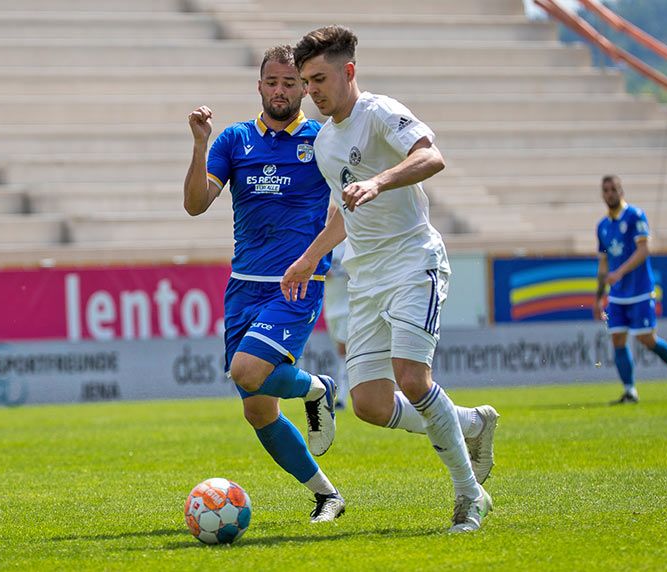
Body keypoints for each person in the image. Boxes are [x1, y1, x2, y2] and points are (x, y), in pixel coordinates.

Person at [281, 25, 498, 533]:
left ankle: (470, 496)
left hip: (412, 261)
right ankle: (470, 423)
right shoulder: (326, 143)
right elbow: (343, 210)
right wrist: (309, 258)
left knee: (411, 377)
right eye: (306, 81)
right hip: (367, 278)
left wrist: (379, 180)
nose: (311, 91)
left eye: (319, 79)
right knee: (370, 406)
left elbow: (431, 155)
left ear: (348, 71)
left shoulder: (377, 112)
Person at [183, 45, 344, 523]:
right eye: (272, 83)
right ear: (259, 86)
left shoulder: (322, 139)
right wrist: (198, 144)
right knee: (257, 411)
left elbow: (346, 209)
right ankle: (326, 495)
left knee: (245, 370)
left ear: (304, 88)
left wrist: (313, 258)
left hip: (296, 283)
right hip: (243, 286)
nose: (280, 91)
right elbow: (195, 204)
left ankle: (316, 388)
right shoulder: (233, 140)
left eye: (290, 84)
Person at [593, 175, 667, 404]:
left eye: (613, 189)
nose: (609, 194)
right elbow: (603, 263)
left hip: (639, 290)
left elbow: (644, 250)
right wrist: (598, 297)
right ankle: (630, 391)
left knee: (647, 339)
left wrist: (620, 273)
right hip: (617, 294)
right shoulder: (602, 226)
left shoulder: (636, 216)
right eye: (605, 190)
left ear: (621, 191)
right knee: (617, 339)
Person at [323, 237, 350, 409]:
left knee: (344, 351)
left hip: (347, 307)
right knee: (341, 352)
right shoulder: (325, 244)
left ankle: (342, 397)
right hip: (330, 307)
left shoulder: (350, 245)